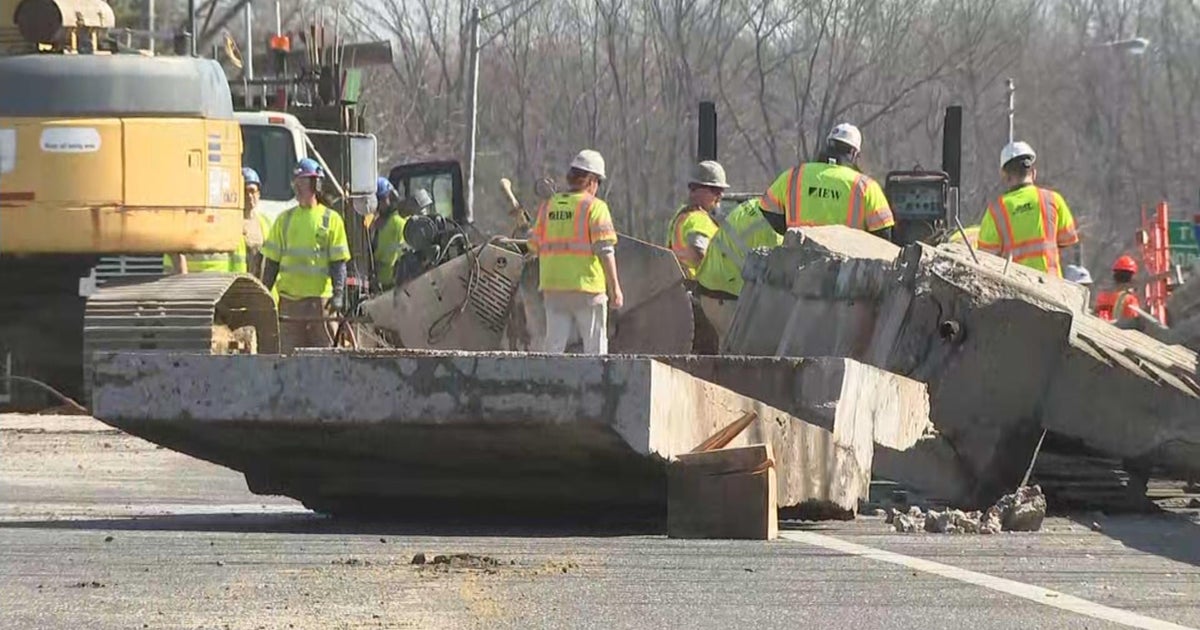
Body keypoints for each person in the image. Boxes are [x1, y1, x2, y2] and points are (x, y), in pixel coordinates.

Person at [528, 149, 624, 355]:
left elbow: (533, 247)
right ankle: (599, 386)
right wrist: (615, 288)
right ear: (591, 180)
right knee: (595, 349)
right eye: (598, 181)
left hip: (553, 288)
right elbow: (605, 250)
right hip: (587, 288)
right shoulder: (595, 207)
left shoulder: (548, 207)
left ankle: (547, 384)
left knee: (553, 348)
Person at [261, 158, 352, 353]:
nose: (299, 187)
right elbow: (271, 264)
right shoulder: (284, 220)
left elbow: (338, 263)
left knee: (326, 356)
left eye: (304, 182)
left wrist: (338, 294)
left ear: (316, 184)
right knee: (288, 356)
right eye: (297, 182)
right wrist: (264, 294)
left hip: (319, 304)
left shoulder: (331, 219)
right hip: (289, 304)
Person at [760, 122, 895, 240]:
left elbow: (767, 209)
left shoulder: (794, 175)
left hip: (798, 260)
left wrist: (789, 233)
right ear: (854, 153)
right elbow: (883, 233)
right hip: (846, 265)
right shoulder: (866, 186)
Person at [977, 141, 1080, 277]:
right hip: (1052, 288)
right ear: (1033, 172)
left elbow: (985, 256)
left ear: (1005, 176)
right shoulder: (1053, 199)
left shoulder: (996, 210)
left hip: (1015, 289)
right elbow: (1068, 239)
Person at [692, 197, 784, 346]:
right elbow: (778, 276)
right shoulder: (776, 229)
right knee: (747, 351)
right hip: (727, 295)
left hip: (710, 288)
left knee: (729, 350)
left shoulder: (754, 204)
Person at [165, 167, 271, 277]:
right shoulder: (225, 221)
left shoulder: (265, 223)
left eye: (252, 191)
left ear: (259, 193)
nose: (249, 196)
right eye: (244, 191)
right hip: (194, 284)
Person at [665, 161, 726, 281]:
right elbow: (699, 253)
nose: (720, 196)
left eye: (721, 191)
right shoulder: (698, 219)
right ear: (695, 189)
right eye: (715, 190)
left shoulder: (681, 215)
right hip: (698, 291)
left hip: (679, 286)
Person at [371, 176, 408, 292]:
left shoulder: (398, 222)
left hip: (393, 284)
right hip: (381, 284)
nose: (381, 204)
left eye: (383, 199)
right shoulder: (377, 223)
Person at [1095, 255, 1142, 324]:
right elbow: (1134, 322)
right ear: (1131, 277)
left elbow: (1097, 313)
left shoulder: (1102, 296)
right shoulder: (1130, 300)